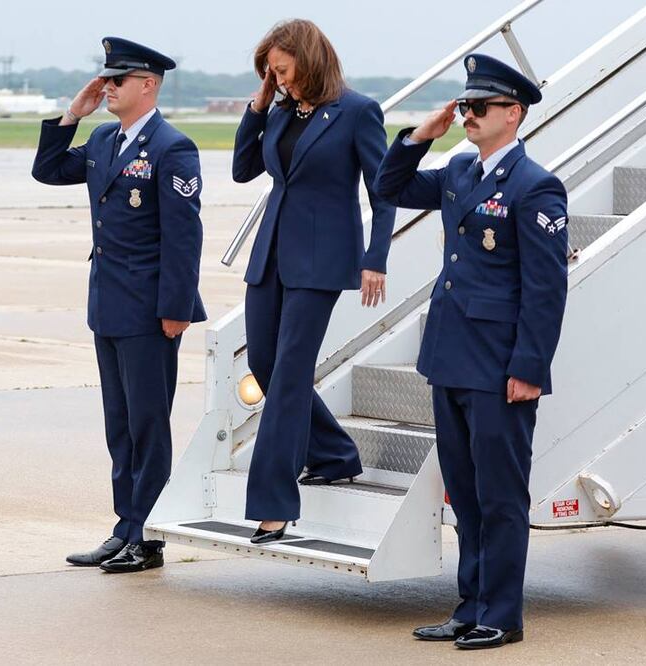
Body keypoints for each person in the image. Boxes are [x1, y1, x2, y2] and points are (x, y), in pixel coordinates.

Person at [374, 53, 568, 649]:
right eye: (464, 105)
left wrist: (529, 368)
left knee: (500, 495)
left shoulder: (536, 187)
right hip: (451, 355)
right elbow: (389, 186)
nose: (468, 115)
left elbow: (545, 290)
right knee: (463, 492)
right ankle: (470, 606)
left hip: (499, 366)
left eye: (480, 106)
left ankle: (501, 614)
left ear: (514, 113)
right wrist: (418, 138)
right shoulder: (459, 169)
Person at [31, 37, 205, 573]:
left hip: (150, 309)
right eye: (105, 79)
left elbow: (184, 238)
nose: (107, 87)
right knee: (119, 424)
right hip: (108, 303)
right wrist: (72, 115)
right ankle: (125, 526)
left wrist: (177, 308)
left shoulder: (173, 147)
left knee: (148, 424)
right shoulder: (104, 139)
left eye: (118, 80)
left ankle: (147, 538)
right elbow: (48, 170)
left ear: (148, 85)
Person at [231, 19, 396, 544]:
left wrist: (375, 257)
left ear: (309, 59)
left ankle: (274, 503)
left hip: (321, 261)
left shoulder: (357, 112)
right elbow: (242, 170)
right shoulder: (279, 111)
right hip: (271, 255)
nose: (278, 80)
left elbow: (383, 190)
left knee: (290, 373)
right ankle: (335, 453)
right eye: (270, 74)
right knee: (265, 364)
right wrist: (258, 107)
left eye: (282, 70)